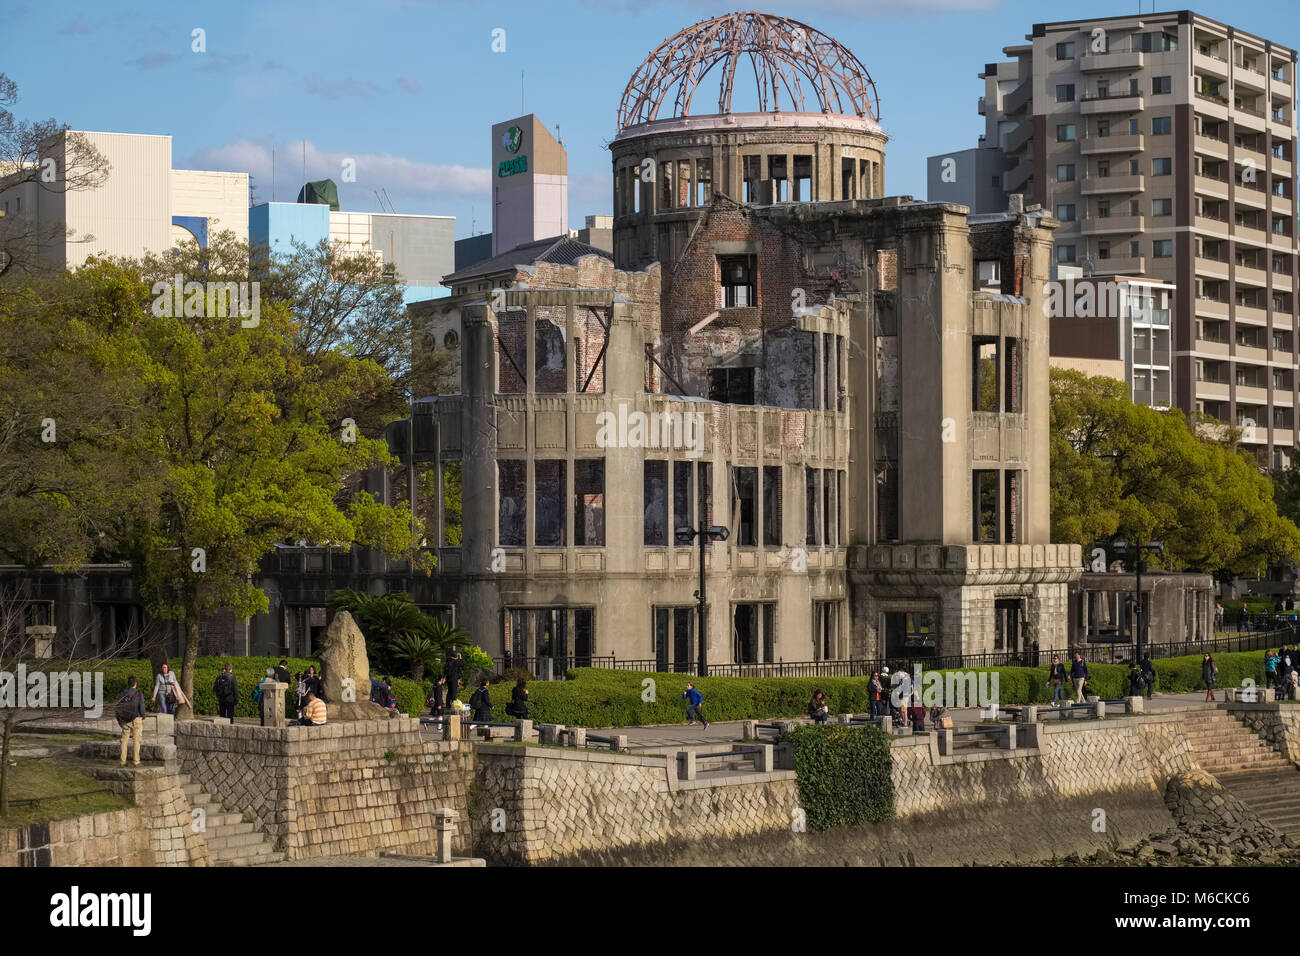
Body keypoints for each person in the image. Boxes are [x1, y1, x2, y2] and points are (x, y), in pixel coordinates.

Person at [116, 677, 146, 766]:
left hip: (125, 719)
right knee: (137, 740)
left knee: (124, 740)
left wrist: (120, 719)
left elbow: (118, 707)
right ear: (135, 684)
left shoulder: (122, 694)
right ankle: (136, 761)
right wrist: (143, 716)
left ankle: (122, 761)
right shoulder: (139, 694)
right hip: (136, 719)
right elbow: (142, 707)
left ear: (128, 684)